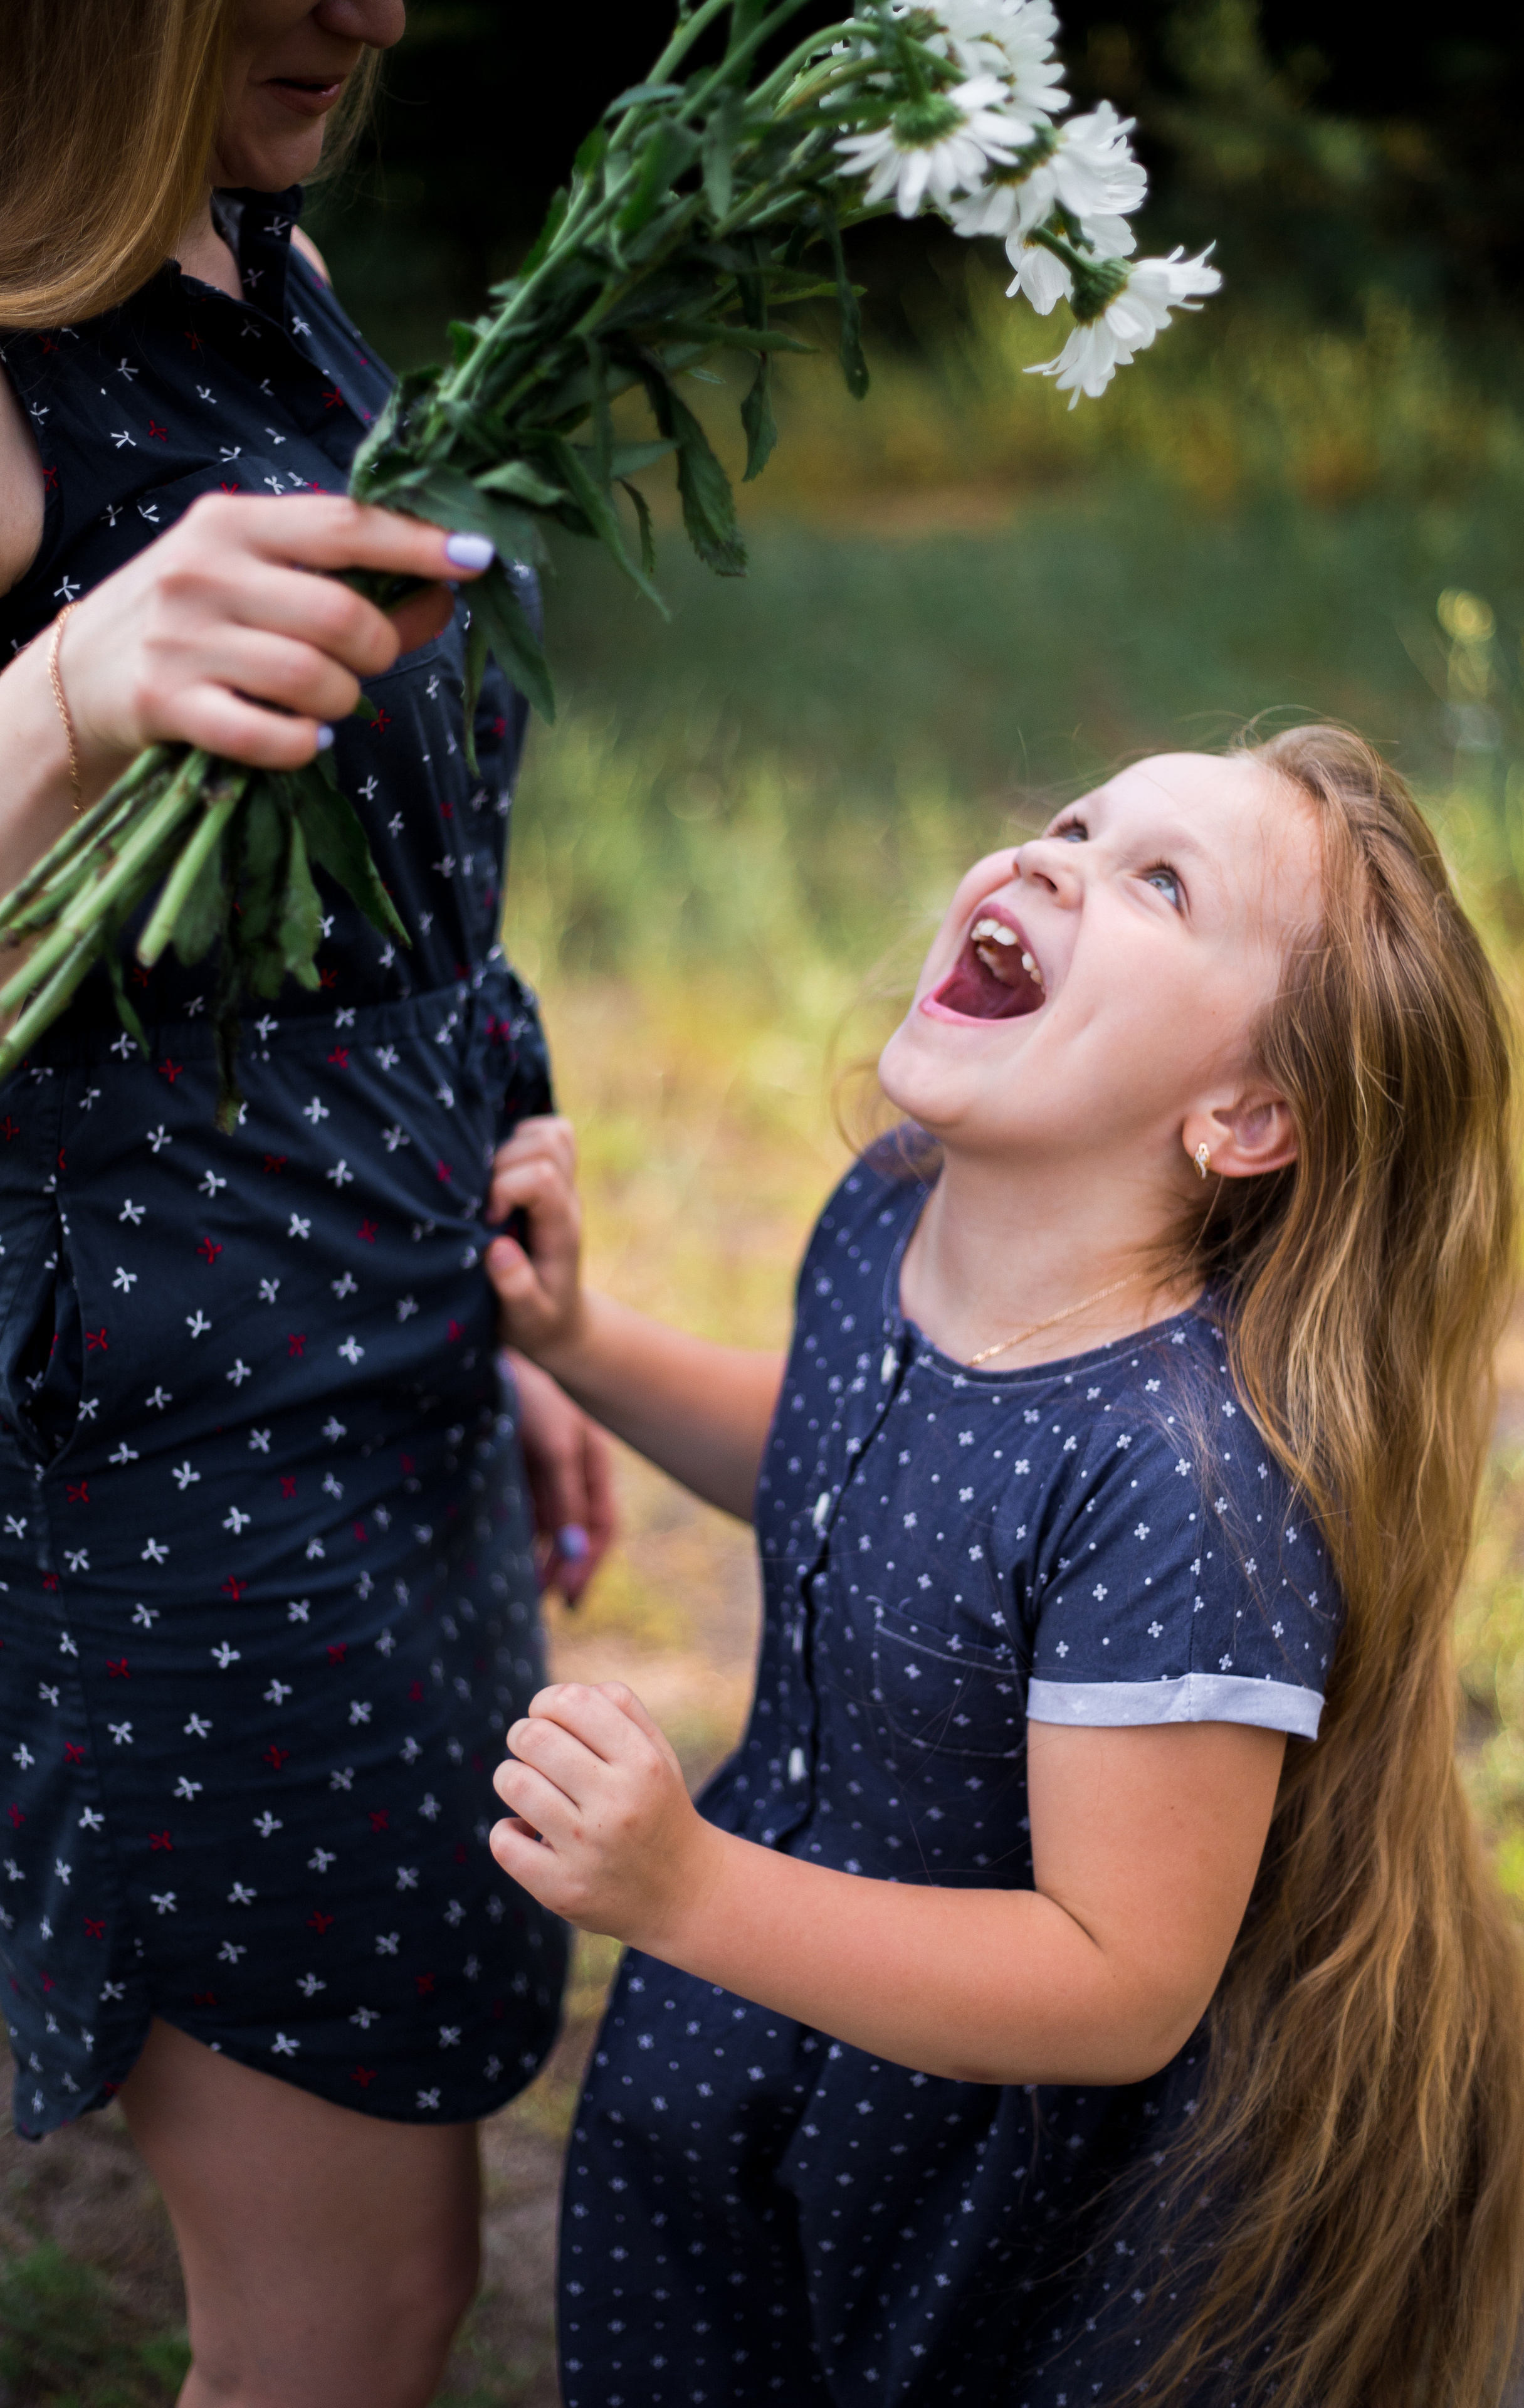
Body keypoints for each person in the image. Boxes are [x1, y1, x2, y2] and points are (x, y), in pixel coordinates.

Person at [485, 727, 1524, 2407]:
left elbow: (1118, 1981)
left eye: (1160, 881)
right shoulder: (894, 1205)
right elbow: (842, 1471)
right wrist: (580, 1341)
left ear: (1245, 1116)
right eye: (1075, 821)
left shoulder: (1180, 1484)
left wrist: (692, 1897)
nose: (1051, 856)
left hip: (982, 2185)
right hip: (757, 2039)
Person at [0, 6, 613, 2403]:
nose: (368, 8)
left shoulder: (258, 242)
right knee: (344, 2318)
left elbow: (392, 871)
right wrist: (59, 703)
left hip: (382, 1388)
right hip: (173, 1499)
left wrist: (494, 1306)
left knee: (391, 2285)